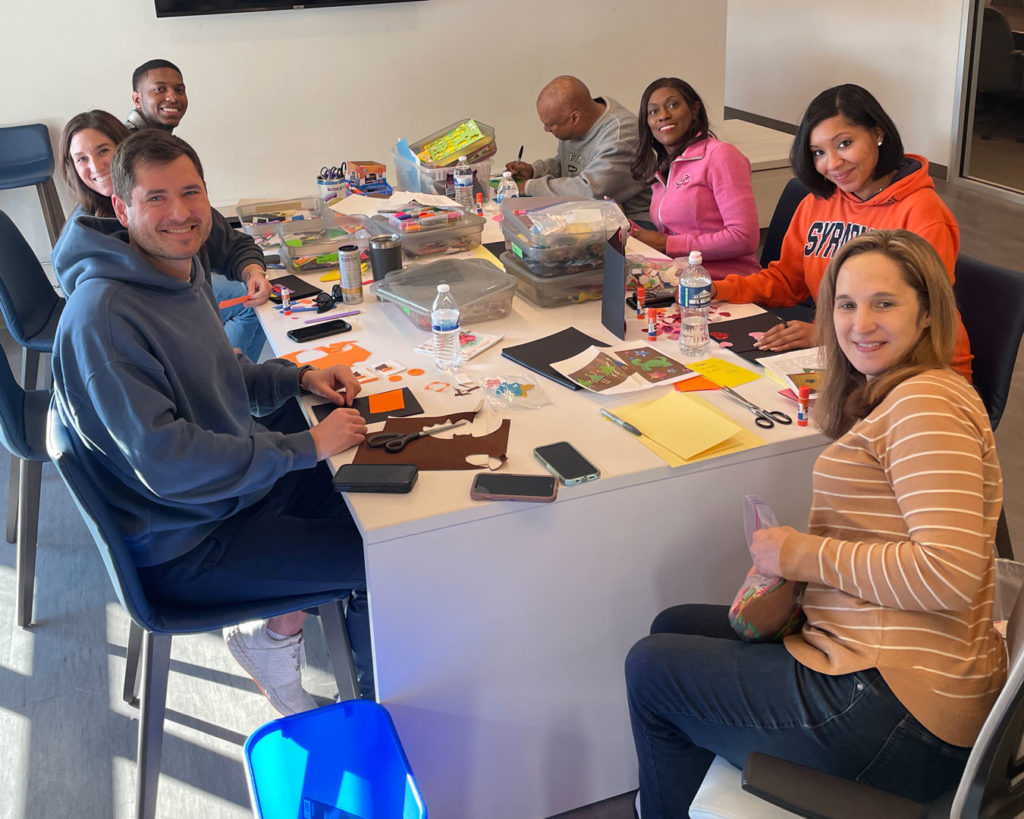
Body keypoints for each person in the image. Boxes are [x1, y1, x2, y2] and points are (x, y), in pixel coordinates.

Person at [625, 229, 1005, 819]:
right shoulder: (905, 394)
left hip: (903, 714)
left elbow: (947, 573)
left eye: (885, 303)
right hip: (882, 667)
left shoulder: (925, 406)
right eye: (846, 305)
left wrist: (800, 556)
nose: (860, 324)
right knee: (674, 625)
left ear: (928, 313)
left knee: (652, 670)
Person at [51, 129, 373, 714]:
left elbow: (214, 371)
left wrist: (294, 379)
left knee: (385, 496)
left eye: (191, 192)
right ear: (121, 209)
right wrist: (304, 445)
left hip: (230, 495)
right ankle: (383, 705)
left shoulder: (178, 267)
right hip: (188, 541)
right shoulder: (105, 319)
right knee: (391, 554)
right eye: (156, 198)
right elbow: (171, 465)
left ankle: (273, 638)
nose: (180, 213)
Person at [710, 84, 971, 377]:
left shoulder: (923, 212)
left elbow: (922, 317)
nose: (832, 163)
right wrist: (718, 288)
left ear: (878, 133)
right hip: (849, 353)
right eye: (818, 152)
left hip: (920, 367)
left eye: (845, 143)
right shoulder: (816, 203)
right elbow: (786, 281)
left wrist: (828, 335)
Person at [54, 109, 271, 362]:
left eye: (103, 151)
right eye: (81, 159)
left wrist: (253, 272)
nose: (178, 214)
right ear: (122, 211)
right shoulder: (87, 267)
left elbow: (232, 246)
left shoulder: (181, 205)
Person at [628, 78, 760, 279]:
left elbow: (744, 238)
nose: (663, 116)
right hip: (682, 280)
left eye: (673, 105)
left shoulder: (720, 155)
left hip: (728, 284)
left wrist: (667, 244)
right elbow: (674, 233)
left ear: (694, 109)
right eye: (653, 111)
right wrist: (625, 227)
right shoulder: (664, 168)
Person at [504, 75, 651, 221]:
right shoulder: (582, 122)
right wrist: (534, 171)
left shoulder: (622, 136)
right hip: (592, 215)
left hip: (634, 222)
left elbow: (589, 191)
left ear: (575, 118)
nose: (546, 129)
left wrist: (530, 188)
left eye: (550, 124)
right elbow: (568, 165)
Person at [125, 58, 188, 132]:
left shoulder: (162, 140)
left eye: (179, 90)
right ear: (137, 100)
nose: (173, 98)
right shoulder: (120, 140)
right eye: (159, 89)